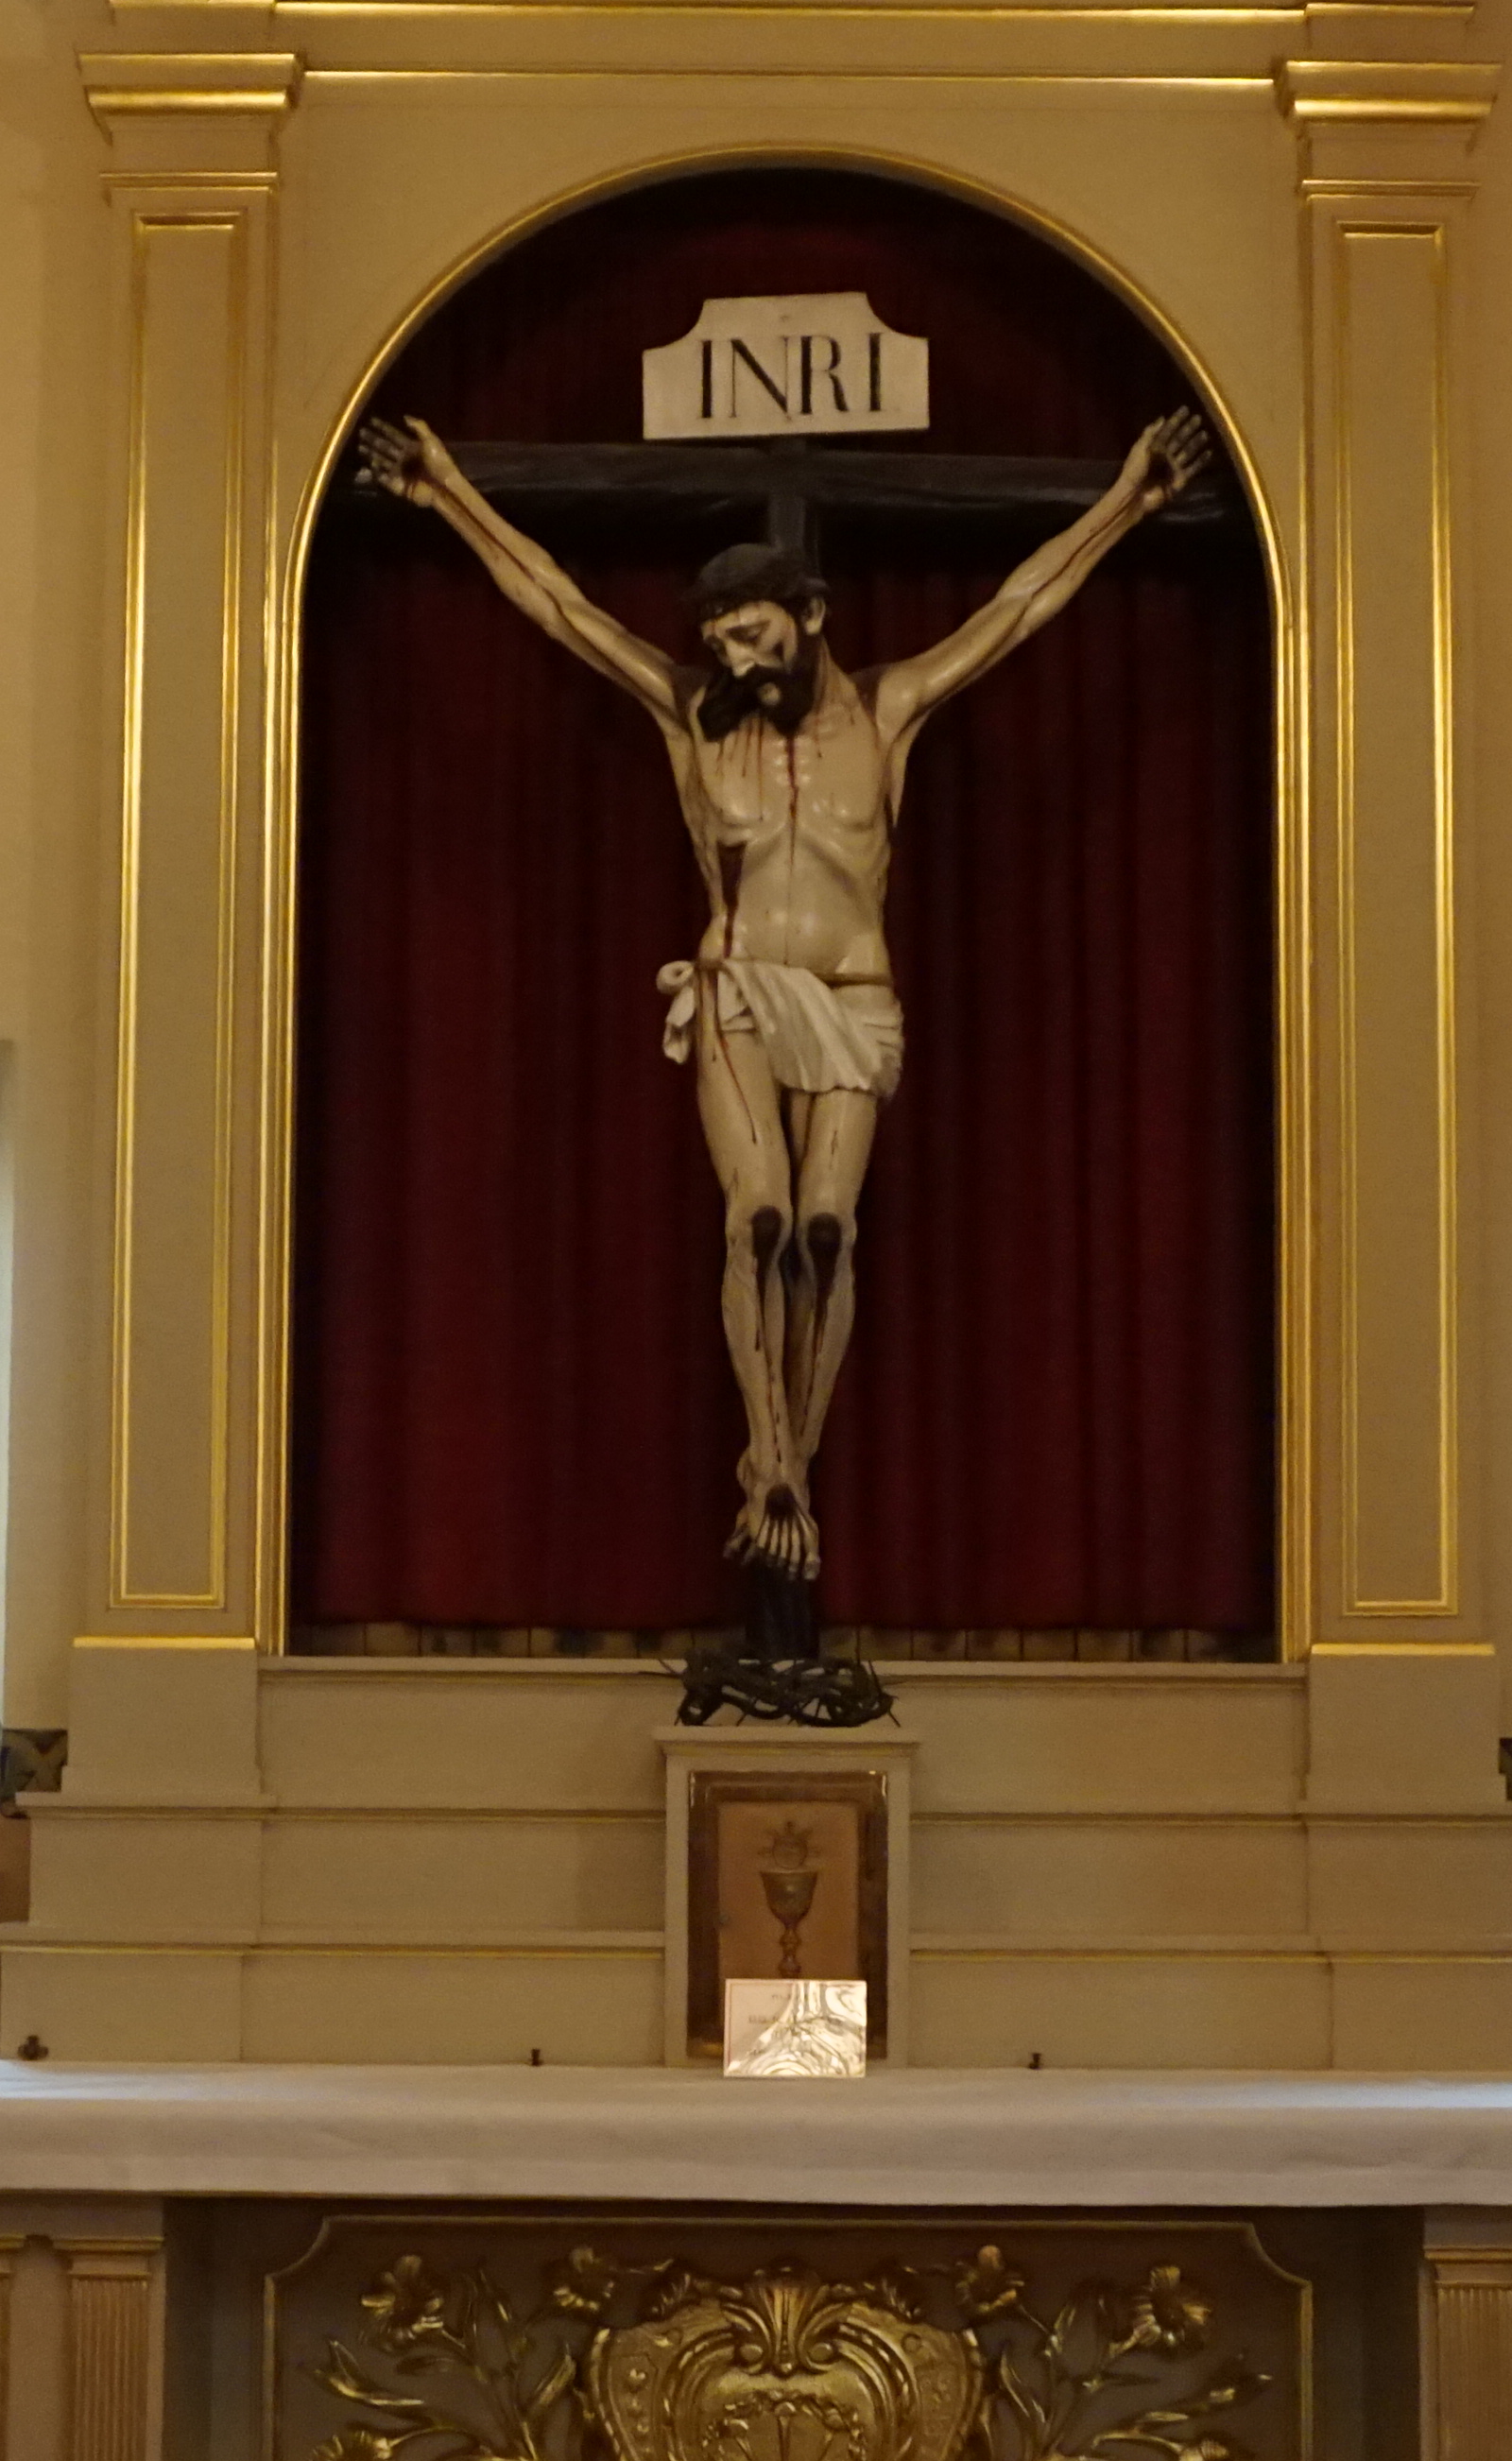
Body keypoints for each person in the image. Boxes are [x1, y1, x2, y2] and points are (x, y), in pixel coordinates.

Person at [355, 405, 1212, 1580]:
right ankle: (773, 1463)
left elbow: (1015, 610)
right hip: (739, 984)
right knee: (757, 1214)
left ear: (810, 617)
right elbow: (563, 608)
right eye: (721, 643)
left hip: (857, 1002)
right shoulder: (691, 725)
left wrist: (1129, 497)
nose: (737, 662)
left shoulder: (887, 711)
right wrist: (448, 488)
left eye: (755, 636)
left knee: (823, 1230)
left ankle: (789, 1473)